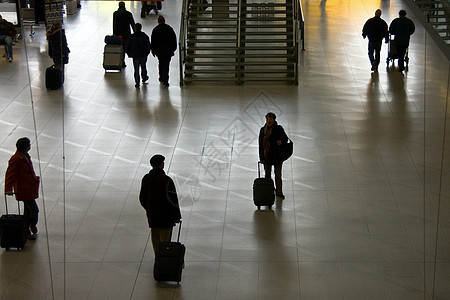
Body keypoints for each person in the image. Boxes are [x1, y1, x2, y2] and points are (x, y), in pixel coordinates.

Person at [139, 154, 182, 253]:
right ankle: (164, 260)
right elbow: (173, 200)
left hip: (153, 217)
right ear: (161, 165)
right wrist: (176, 216)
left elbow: (142, 198)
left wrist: (149, 208)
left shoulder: (146, 179)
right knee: (165, 240)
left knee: (156, 239)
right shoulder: (166, 180)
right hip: (165, 218)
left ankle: (157, 258)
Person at [4, 137, 40, 240]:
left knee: (27, 211)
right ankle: (31, 225)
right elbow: (10, 175)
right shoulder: (16, 159)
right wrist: (8, 189)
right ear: (26, 147)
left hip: (28, 188)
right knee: (34, 210)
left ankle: (26, 231)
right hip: (23, 190)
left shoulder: (24, 156)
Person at [258, 112, 288, 199]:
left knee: (278, 175)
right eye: (267, 118)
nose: (269, 120)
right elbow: (260, 145)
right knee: (267, 176)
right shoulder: (263, 130)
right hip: (267, 156)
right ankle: (269, 191)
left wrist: (281, 141)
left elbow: (285, 139)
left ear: (274, 120)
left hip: (277, 156)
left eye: (270, 119)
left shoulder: (278, 129)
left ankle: (279, 192)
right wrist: (261, 157)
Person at [151, 16, 177, 87]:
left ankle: (161, 77)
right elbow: (174, 39)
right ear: (164, 21)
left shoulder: (155, 30)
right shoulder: (169, 29)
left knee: (161, 63)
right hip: (168, 51)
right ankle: (166, 80)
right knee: (166, 65)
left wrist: (153, 50)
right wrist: (173, 49)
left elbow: (153, 41)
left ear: (158, 21)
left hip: (159, 51)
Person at [125, 23, 151, 89]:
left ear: (135, 28)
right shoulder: (144, 36)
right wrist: (147, 52)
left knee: (136, 69)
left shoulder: (132, 36)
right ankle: (144, 77)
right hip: (143, 54)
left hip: (135, 55)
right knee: (143, 66)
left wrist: (128, 52)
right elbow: (148, 45)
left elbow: (127, 45)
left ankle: (137, 82)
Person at [113, 1, 135, 68]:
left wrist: (114, 34)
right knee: (124, 48)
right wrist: (135, 33)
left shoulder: (115, 13)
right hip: (126, 34)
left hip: (118, 34)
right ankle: (122, 61)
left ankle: (119, 61)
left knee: (119, 48)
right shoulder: (128, 14)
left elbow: (114, 24)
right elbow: (132, 24)